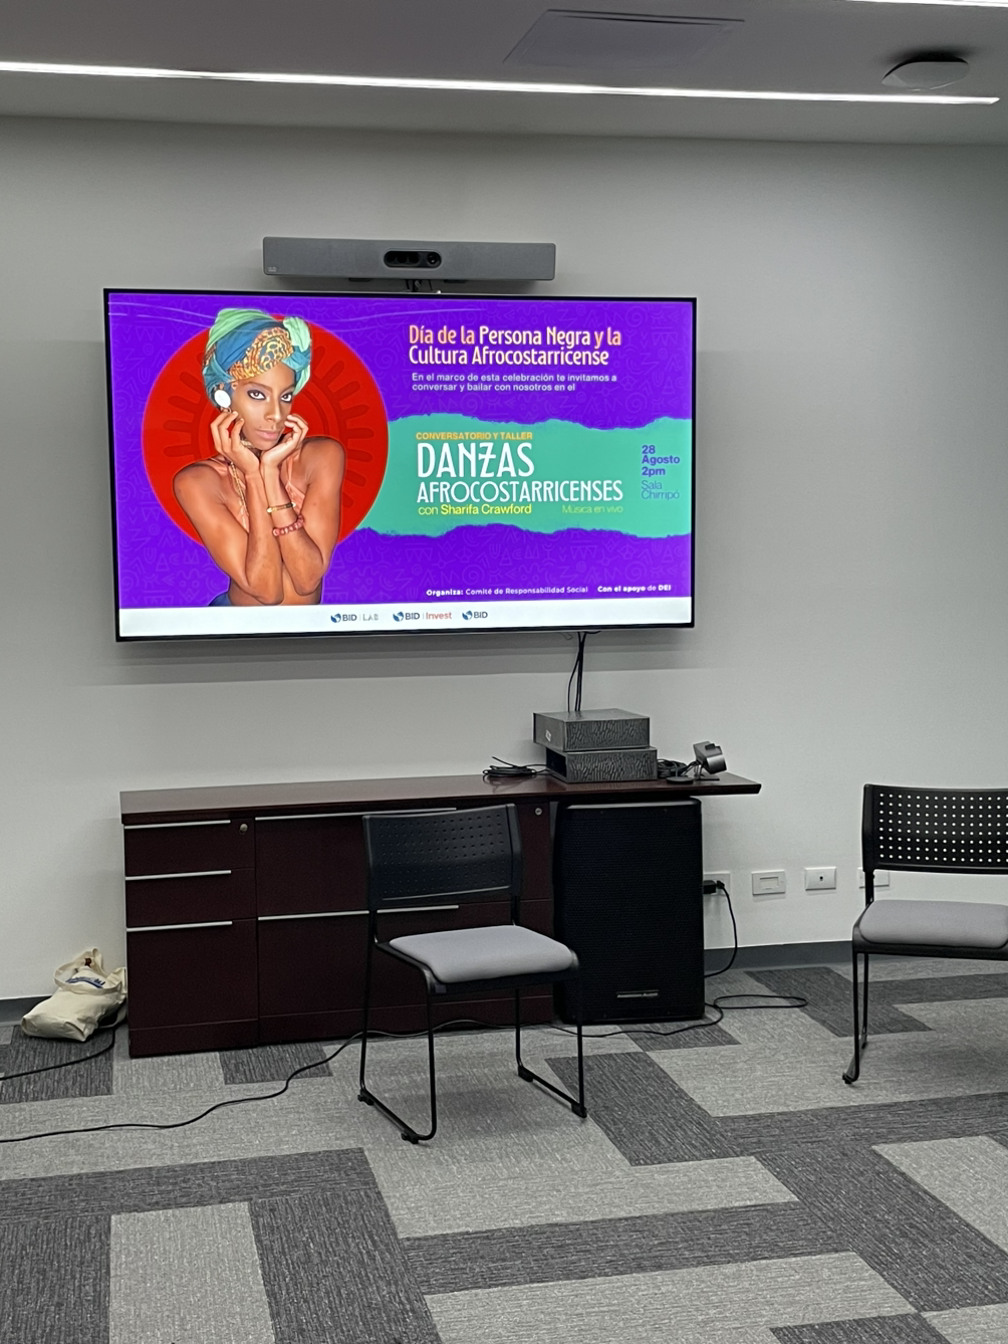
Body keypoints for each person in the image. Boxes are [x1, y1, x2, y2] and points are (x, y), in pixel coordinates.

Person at [173, 308, 345, 606]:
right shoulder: (196, 482)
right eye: (257, 394)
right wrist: (253, 475)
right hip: (233, 630)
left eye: (286, 396)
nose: (276, 415)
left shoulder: (322, 456)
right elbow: (267, 591)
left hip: (315, 631)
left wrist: (270, 473)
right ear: (222, 394)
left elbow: (307, 579)